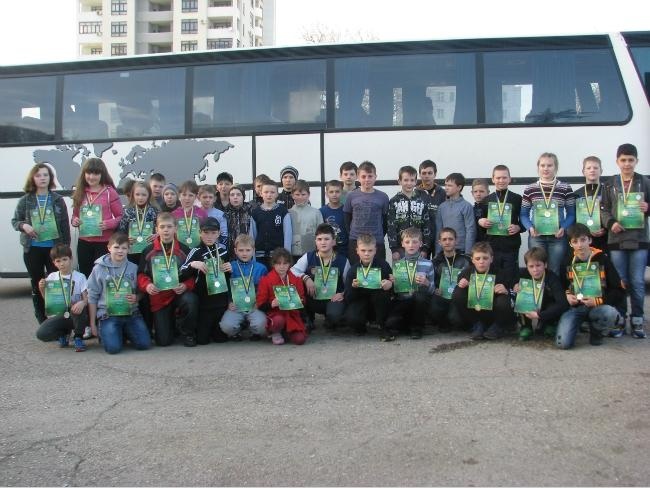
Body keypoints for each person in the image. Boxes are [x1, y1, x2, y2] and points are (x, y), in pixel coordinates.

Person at [600, 143, 650, 338]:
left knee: (637, 282)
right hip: (616, 239)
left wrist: (648, 207)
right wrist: (610, 222)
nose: (627, 164)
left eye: (630, 160)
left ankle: (637, 319)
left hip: (639, 240)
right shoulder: (610, 183)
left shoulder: (644, 182)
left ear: (636, 161)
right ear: (617, 161)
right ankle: (619, 319)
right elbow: (603, 209)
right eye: (623, 160)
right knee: (620, 281)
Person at [12, 163, 70, 324]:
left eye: (45, 175)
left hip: (54, 250)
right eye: (38, 175)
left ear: (50, 178)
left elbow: (65, 226)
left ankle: (59, 319)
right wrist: (24, 226)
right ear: (33, 178)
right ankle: (42, 319)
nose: (42, 178)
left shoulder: (58, 200)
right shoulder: (25, 200)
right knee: (37, 284)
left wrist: (65, 248)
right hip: (33, 249)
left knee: (57, 284)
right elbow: (15, 221)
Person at [556, 224, 624, 349]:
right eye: (575, 241)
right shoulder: (566, 261)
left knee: (609, 313)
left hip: (598, 306)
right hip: (576, 308)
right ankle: (578, 325)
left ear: (590, 240)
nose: (580, 245)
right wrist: (567, 295)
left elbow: (618, 290)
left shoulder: (603, 259)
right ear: (570, 244)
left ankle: (597, 331)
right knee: (563, 343)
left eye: (583, 240)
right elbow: (561, 286)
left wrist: (598, 301)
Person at [137, 212, 198, 347]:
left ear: (175, 228)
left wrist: (185, 285)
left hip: (178, 294)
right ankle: (171, 325)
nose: (166, 230)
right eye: (162, 227)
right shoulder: (148, 251)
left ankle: (187, 332)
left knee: (191, 300)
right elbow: (141, 274)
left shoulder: (184, 250)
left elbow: (193, 275)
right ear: (156, 229)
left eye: (169, 227)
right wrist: (147, 285)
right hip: (159, 297)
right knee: (164, 341)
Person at [87, 233, 151, 354]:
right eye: (116, 247)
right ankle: (111, 332)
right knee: (113, 349)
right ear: (109, 248)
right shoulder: (98, 269)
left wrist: (137, 297)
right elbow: (92, 296)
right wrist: (92, 323)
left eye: (124, 248)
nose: (120, 251)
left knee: (144, 344)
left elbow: (141, 291)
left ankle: (123, 332)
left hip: (131, 313)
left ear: (129, 250)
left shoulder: (134, 268)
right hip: (108, 314)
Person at [520, 152, 575, 277]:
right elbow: (523, 214)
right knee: (537, 271)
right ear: (538, 167)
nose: (546, 168)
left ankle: (552, 291)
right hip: (536, 236)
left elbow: (571, 214)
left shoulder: (565, 188)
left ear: (556, 167)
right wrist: (530, 227)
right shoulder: (530, 188)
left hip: (558, 237)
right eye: (542, 165)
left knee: (554, 271)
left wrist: (564, 227)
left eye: (549, 165)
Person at [180, 217, 230, 345]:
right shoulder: (195, 251)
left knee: (221, 339)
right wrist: (192, 264)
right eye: (206, 232)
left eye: (213, 233)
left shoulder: (223, 252)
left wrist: (231, 269)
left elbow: (230, 278)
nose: (209, 236)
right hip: (204, 304)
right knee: (203, 340)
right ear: (200, 233)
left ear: (218, 233)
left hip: (221, 303)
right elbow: (181, 273)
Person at [70, 157, 123, 277]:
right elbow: (75, 216)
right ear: (84, 174)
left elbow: (121, 216)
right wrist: (75, 221)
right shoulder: (80, 192)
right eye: (88, 173)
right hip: (84, 242)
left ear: (102, 174)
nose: (91, 177)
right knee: (86, 275)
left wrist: (108, 224)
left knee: (103, 276)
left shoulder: (110, 192)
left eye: (96, 173)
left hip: (104, 243)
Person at [451, 241, 515, 340]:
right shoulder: (465, 273)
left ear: (491, 259)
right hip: (475, 311)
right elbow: (455, 294)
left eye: (485, 258)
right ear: (472, 260)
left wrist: (506, 291)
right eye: (478, 258)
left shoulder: (501, 274)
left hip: (493, 311)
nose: (481, 262)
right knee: (458, 293)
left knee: (504, 299)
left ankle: (497, 326)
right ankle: (477, 325)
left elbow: (513, 296)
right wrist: (461, 285)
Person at [291, 223, 349, 330]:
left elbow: (349, 285)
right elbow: (292, 271)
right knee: (297, 283)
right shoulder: (308, 257)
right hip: (313, 297)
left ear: (333, 241)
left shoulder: (343, 261)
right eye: (319, 239)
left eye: (326, 239)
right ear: (315, 242)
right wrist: (305, 278)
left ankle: (331, 319)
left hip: (333, 299)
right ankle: (308, 317)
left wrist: (342, 294)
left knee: (334, 317)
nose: (323, 242)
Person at [36, 244, 88, 352]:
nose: (62, 263)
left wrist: (82, 303)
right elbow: (49, 301)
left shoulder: (80, 277)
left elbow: (86, 298)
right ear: (54, 263)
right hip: (60, 314)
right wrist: (41, 289)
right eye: (58, 261)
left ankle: (78, 337)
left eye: (65, 259)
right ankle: (63, 334)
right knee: (41, 334)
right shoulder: (52, 277)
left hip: (76, 314)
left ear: (71, 259)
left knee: (78, 308)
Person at [385, 227, 435, 340]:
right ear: (402, 244)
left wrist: (427, 283)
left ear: (421, 243)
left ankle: (417, 328)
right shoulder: (398, 265)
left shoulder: (428, 264)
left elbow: (432, 290)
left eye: (415, 242)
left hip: (419, 302)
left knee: (420, 296)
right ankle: (406, 325)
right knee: (391, 323)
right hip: (403, 301)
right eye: (407, 242)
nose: (411, 245)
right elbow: (395, 293)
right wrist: (393, 283)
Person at [477, 164, 523, 283]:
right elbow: (480, 220)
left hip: (511, 245)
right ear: (493, 179)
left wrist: (519, 227)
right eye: (498, 178)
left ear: (509, 179)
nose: (501, 180)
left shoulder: (517, 199)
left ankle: (510, 293)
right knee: (492, 275)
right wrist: (481, 221)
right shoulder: (486, 200)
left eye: (504, 177)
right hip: (491, 245)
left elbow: (524, 219)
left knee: (510, 276)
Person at [342, 234, 394, 340]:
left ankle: (382, 326)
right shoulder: (353, 270)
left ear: (375, 250)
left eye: (370, 250)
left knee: (382, 295)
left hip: (379, 303)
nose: (366, 254)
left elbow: (394, 291)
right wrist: (353, 287)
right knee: (352, 319)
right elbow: (347, 298)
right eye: (363, 250)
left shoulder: (384, 265)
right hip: (361, 302)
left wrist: (390, 285)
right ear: (357, 251)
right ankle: (361, 326)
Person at [219, 234, 269, 340]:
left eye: (248, 250)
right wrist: (228, 302)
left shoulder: (261, 268)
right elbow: (225, 288)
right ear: (235, 251)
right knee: (226, 326)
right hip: (236, 306)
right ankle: (237, 331)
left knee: (263, 326)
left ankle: (254, 331)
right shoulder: (230, 267)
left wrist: (259, 303)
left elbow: (265, 290)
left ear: (253, 250)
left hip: (254, 306)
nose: (244, 253)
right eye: (241, 250)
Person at [514, 247, 569, 341]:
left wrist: (540, 315)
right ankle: (526, 326)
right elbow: (509, 287)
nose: (535, 269)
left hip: (545, 307)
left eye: (538, 265)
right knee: (518, 298)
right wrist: (514, 288)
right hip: (530, 305)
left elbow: (563, 303)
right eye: (531, 266)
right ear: (526, 266)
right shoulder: (522, 275)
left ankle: (549, 323)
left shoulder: (552, 278)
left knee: (554, 303)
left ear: (545, 265)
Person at [256, 247, 307, 345]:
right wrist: (272, 304)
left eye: (285, 263)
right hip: (275, 314)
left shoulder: (296, 280)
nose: (282, 266)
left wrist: (299, 301)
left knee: (300, 340)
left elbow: (303, 301)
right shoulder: (265, 280)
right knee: (278, 321)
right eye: (278, 263)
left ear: (289, 264)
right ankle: (275, 332)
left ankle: (286, 332)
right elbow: (260, 304)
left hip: (292, 315)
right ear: (273, 264)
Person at [343, 161, 389, 264]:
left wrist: (379, 234)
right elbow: (347, 217)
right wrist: (352, 234)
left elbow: (385, 220)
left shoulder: (383, 197)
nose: (367, 179)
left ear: (375, 177)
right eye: (363, 176)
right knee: (356, 270)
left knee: (379, 270)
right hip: (355, 241)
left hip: (377, 241)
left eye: (370, 176)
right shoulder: (351, 196)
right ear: (358, 177)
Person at [387, 165, 433, 260]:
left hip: (418, 247)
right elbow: (391, 226)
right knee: (400, 270)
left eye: (412, 180)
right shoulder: (394, 201)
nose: (409, 183)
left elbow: (427, 225)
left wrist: (425, 248)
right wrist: (394, 249)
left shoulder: (422, 201)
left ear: (416, 182)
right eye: (406, 180)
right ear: (399, 181)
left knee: (420, 269)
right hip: (400, 248)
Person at [430, 228, 471, 332]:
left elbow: (474, 278)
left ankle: (458, 321)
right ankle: (443, 322)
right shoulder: (435, 262)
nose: (447, 242)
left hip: (458, 296)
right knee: (433, 304)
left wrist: (469, 284)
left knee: (455, 319)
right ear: (439, 242)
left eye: (450, 239)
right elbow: (432, 280)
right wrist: (435, 289)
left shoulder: (466, 260)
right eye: (444, 239)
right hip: (442, 295)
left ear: (456, 241)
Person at [250, 180, 292, 269]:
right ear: (261, 194)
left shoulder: (283, 211)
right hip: (259, 257)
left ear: (277, 194)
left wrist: (286, 256)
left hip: (278, 257)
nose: (269, 195)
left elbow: (288, 235)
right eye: (266, 192)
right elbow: (252, 236)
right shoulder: (255, 213)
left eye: (272, 192)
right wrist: (252, 257)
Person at [118, 181, 159, 264]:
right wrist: (125, 239)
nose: (140, 197)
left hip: (150, 251)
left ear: (149, 195)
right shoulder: (127, 212)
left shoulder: (155, 211)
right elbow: (120, 231)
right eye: (137, 194)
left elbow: (161, 229)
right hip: (132, 251)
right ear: (133, 195)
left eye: (144, 195)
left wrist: (157, 235)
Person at [435, 173, 476, 255]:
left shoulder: (466, 206)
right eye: (445, 185)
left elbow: (470, 230)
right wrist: (438, 253)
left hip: (461, 250)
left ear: (459, 187)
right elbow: (439, 231)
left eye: (450, 185)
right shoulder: (442, 207)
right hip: (445, 251)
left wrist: (468, 253)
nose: (446, 188)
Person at [573, 156, 607, 252]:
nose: (592, 170)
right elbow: (574, 219)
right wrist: (586, 231)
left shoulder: (608, 192)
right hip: (584, 240)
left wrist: (606, 229)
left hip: (605, 238)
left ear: (601, 171)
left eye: (595, 168)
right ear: (583, 171)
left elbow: (612, 213)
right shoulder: (577, 194)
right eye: (588, 168)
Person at [289, 179, 323, 262]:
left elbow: (321, 233)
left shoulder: (316, 212)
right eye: (297, 194)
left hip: (311, 253)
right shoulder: (288, 213)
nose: (300, 197)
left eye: (303, 194)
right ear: (292, 195)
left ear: (308, 195)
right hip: (293, 254)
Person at [171, 180, 208, 249]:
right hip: (179, 249)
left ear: (196, 197)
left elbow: (206, 231)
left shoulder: (202, 213)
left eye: (191, 195)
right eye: (184, 195)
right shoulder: (173, 214)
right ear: (179, 196)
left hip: (198, 249)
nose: (187, 198)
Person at [320, 180, 349, 258]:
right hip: (328, 250)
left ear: (342, 193)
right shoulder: (321, 211)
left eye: (337, 192)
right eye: (331, 192)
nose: (334, 194)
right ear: (326, 194)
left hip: (345, 249)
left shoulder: (347, 211)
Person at [224, 185, 253, 259]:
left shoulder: (251, 210)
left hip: (248, 249)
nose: (235, 197)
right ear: (229, 197)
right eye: (232, 195)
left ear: (243, 197)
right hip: (231, 251)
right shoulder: (225, 212)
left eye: (238, 194)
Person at [196, 184, 228, 251]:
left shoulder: (220, 215)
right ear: (199, 198)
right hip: (198, 249)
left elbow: (224, 234)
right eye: (204, 197)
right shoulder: (194, 214)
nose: (207, 200)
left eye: (210, 197)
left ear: (215, 199)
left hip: (215, 249)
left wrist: (220, 250)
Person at [471, 178, 490, 243]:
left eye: (481, 191)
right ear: (472, 193)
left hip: (489, 244)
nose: (478, 194)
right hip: (474, 244)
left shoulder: (492, 209)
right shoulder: (470, 209)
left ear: (488, 192)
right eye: (475, 191)